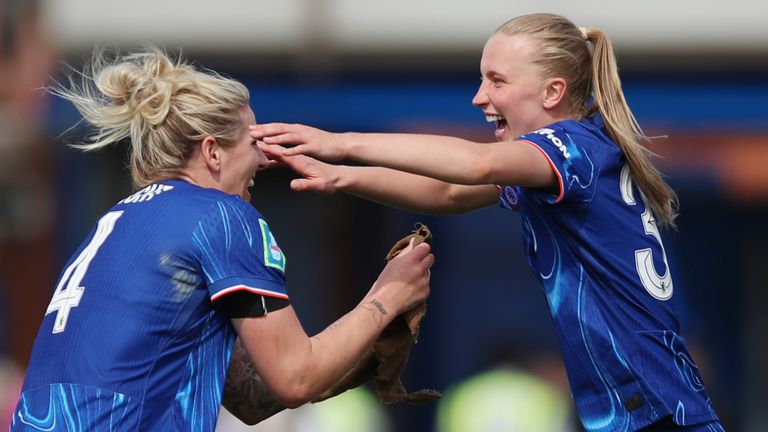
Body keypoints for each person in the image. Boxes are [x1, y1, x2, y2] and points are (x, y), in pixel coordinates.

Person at [251, 12, 723, 432]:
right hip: (648, 409)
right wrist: (341, 176)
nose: (480, 97)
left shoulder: (571, 147)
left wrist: (342, 143)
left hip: (657, 413)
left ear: (552, 92)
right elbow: (449, 191)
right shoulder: (565, 159)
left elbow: (477, 165)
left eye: (497, 81)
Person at [9, 48, 434, 431]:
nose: (264, 158)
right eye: (253, 142)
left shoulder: (119, 222)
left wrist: (363, 339)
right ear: (212, 152)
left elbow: (252, 398)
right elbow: (294, 378)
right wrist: (388, 296)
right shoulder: (221, 216)